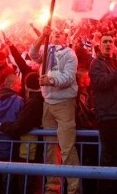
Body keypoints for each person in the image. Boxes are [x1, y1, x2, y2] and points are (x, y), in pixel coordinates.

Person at [29, 26, 80, 194]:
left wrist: (50, 80)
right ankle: (53, 187)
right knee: (50, 148)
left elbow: (69, 77)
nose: (56, 34)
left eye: (60, 33)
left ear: (65, 37)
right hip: (47, 103)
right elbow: (32, 54)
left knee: (67, 147)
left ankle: (73, 188)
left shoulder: (70, 54)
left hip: (64, 103)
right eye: (54, 32)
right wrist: (41, 36)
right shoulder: (45, 49)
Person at [89, 33, 117, 193]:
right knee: (109, 158)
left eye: (110, 42)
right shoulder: (96, 64)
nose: (108, 44)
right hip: (107, 115)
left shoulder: (113, 62)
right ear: (100, 46)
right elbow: (101, 83)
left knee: (116, 156)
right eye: (105, 42)